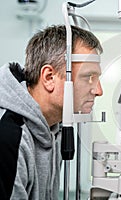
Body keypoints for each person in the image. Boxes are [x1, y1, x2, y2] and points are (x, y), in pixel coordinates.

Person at [0, 25, 103, 199]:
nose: (99, 91)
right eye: (89, 77)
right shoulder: (8, 136)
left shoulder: (54, 127)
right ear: (49, 78)